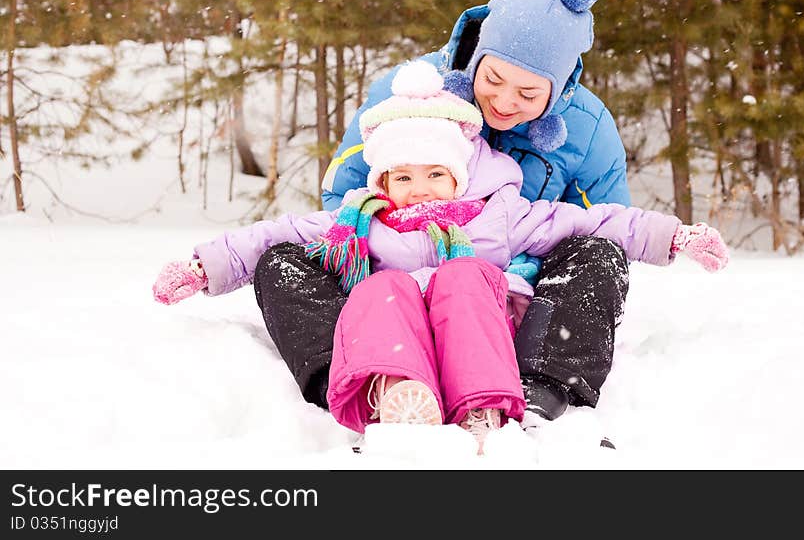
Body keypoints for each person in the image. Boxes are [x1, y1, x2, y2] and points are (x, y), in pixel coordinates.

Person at [152, 61, 730, 454]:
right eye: (403, 176)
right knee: (378, 288)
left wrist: (673, 236)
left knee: (464, 276)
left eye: (435, 174)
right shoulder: (360, 224)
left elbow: (593, 220)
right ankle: (396, 393)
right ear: (382, 179)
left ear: (459, 176)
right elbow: (273, 234)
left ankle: (488, 403)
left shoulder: (498, 214)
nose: (421, 187)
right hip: (395, 329)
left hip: (480, 323)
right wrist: (205, 269)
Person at [255, 0, 650, 425]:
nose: (504, 101)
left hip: (511, 294)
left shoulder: (588, 127)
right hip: (390, 282)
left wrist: (507, 277)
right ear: (477, 59)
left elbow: (605, 223)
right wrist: (389, 256)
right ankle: (358, 383)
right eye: (494, 79)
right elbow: (345, 192)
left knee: (599, 256)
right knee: (283, 263)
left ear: (557, 89)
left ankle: (539, 386)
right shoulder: (410, 92)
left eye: (527, 92)